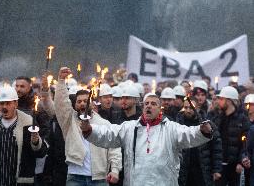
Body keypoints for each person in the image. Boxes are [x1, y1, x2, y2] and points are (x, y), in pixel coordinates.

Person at [80, 92, 213, 186]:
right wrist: (89, 129)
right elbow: (108, 134)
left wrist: (202, 131)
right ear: (143, 107)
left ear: (159, 109)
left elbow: (189, 134)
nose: (149, 106)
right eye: (146, 103)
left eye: (153, 104)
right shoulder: (130, 128)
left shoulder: (170, 128)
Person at [54, 67, 122, 186]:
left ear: (92, 104)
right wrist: (60, 81)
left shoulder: (104, 124)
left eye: (85, 101)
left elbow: (114, 149)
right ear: (74, 105)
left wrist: (115, 170)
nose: (82, 104)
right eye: (79, 101)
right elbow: (61, 104)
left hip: (99, 178)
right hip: (75, 177)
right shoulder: (69, 122)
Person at [0, 87, 47, 186]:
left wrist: (35, 142)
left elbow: (41, 153)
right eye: (2, 103)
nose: (4, 107)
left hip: (20, 182)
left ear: (16, 104)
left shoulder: (28, 123)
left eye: (8, 103)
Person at [210, 86, 250, 186]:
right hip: (219, 167)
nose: (218, 101)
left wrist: (240, 162)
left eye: (221, 99)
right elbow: (213, 143)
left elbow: (245, 143)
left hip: (235, 167)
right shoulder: (217, 119)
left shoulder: (242, 119)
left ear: (229, 101)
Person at [177, 98, 222, 186]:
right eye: (186, 108)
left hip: (202, 169)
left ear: (197, 108)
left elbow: (216, 148)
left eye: (191, 108)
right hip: (184, 170)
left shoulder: (207, 125)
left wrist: (216, 169)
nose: (188, 110)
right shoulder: (178, 125)